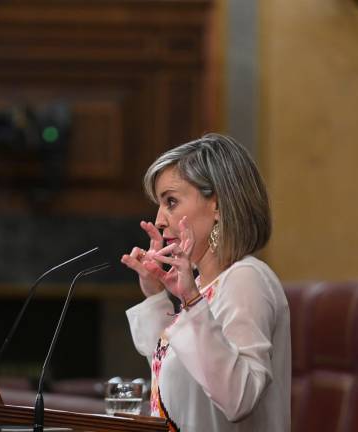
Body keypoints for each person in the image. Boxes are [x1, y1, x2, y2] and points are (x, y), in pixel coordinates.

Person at [120, 133, 290, 431]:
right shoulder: (202, 288)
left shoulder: (246, 279)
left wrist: (192, 301)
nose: (159, 220)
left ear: (218, 205)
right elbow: (174, 394)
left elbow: (238, 398)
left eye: (171, 201)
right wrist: (156, 296)